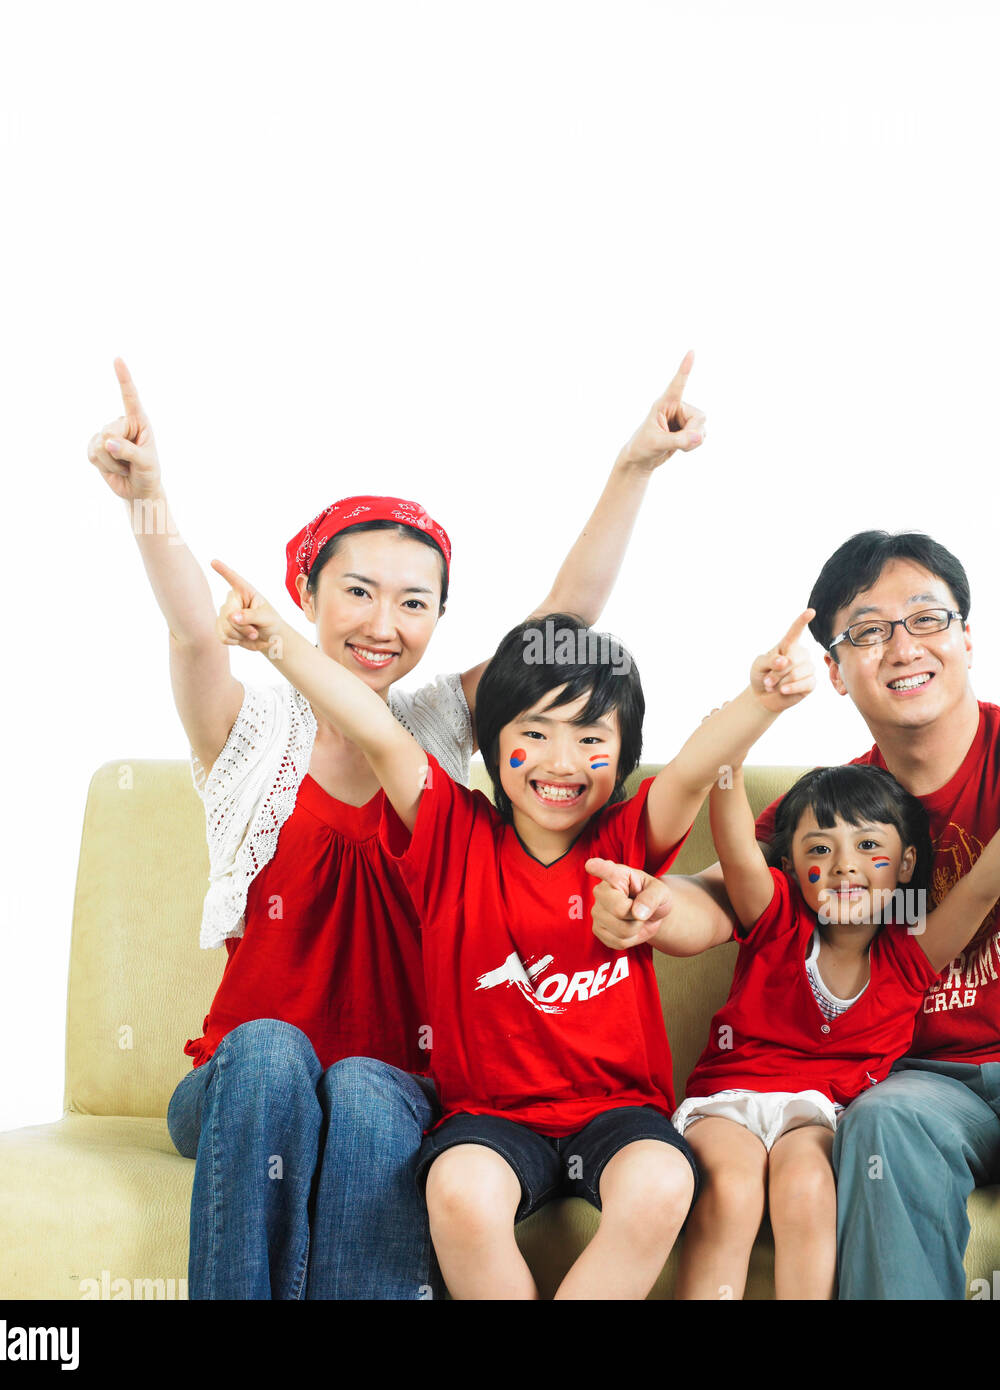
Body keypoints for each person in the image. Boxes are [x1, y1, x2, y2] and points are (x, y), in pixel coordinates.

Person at [84, 352, 706, 1299]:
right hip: (242, 1083)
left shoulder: (430, 740)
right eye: (359, 592)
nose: (385, 623)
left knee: (373, 1086)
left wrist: (633, 470)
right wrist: (150, 498)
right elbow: (192, 634)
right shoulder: (246, 735)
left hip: (396, 1079)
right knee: (273, 1048)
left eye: (415, 603)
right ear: (304, 597)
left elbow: (561, 625)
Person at [589, 530, 1000, 1299]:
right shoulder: (845, 804)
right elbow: (723, 893)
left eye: (926, 619)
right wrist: (647, 905)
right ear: (838, 673)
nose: (902, 646)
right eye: (868, 632)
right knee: (879, 1119)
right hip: (932, 1083)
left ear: (967, 638)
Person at [210, 577, 820, 1298]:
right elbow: (376, 729)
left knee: (661, 1183)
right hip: (488, 1118)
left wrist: (764, 701)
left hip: (618, 1112)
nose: (561, 763)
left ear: (622, 761)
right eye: (534, 734)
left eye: (591, 740)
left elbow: (693, 767)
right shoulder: (448, 833)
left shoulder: (627, 838)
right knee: (460, 1194)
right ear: (493, 745)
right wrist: (277, 639)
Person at [671, 755, 1000, 1300]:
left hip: (818, 1113)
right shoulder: (774, 920)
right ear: (789, 867)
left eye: (868, 846)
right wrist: (729, 763)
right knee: (733, 1190)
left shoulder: (910, 956)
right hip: (730, 1101)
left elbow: (981, 889)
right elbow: (738, 853)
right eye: (819, 849)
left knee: (808, 1189)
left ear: (906, 863)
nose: (843, 865)